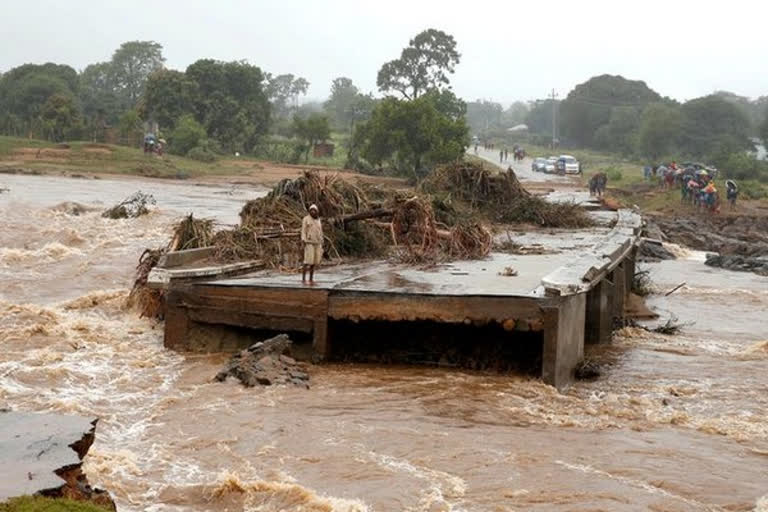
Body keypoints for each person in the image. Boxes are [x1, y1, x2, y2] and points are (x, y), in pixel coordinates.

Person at [301, 204, 323, 284]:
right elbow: (303, 230)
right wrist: (303, 239)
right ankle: (303, 279)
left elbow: (320, 231)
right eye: (311, 210)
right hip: (309, 242)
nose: (313, 212)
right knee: (307, 261)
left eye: (314, 210)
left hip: (317, 242)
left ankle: (311, 279)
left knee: (314, 262)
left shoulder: (318, 220)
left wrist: (321, 240)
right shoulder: (306, 219)